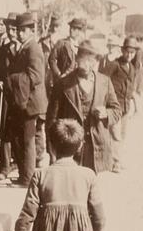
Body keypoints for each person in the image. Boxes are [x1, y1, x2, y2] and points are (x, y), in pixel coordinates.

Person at [46, 40, 121, 174]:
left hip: (96, 146)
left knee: (92, 186)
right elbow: (51, 119)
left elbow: (116, 111)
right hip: (70, 147)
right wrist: (52, 151)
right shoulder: (62, 84)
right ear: (77, 59)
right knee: (71, 188)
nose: (88, 64)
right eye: (84, 59)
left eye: (92, 61)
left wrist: (106, 113)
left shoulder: (105, 82)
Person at [5, 13, 48, 187]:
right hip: (22, 99)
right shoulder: (25, 47)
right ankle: (24, 175)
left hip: (30, 101)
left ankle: (28, 178)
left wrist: (12, 78)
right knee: (20, 138)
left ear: (31, 31)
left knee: (28, 140)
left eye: (24, 30)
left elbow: (36, 76)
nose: (20, 33)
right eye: (19, 30)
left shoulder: (33, 49)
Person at [101, 36, 137, 173]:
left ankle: (116, 159)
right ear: (122, 51)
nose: (129, 55)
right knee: (115, 134)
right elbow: (102, 78)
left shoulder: (132, 67)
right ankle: (115, 162)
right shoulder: (114, 64)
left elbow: (131, 87)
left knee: (122, 134)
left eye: (132, 53)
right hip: (114, 106)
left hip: (126, 107)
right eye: (127, 51)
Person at [0, 14, 20, 181]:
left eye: (14, 29)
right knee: (4, 130)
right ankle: (4, 166)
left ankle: (20, 164)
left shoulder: (26, 49)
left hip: (21, 96)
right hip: (6, 95)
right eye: (9, 29)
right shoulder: (4, 49)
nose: (11, 32)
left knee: (19, 132)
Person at [48, 17, 86, 88]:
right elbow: (51, 59)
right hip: (64, 79)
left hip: (78, 82)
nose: (71, 30)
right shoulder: (61, 43)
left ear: (79, 31)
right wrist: (58, 73)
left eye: (75, 29)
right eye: (71, 28)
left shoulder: (83, 46)